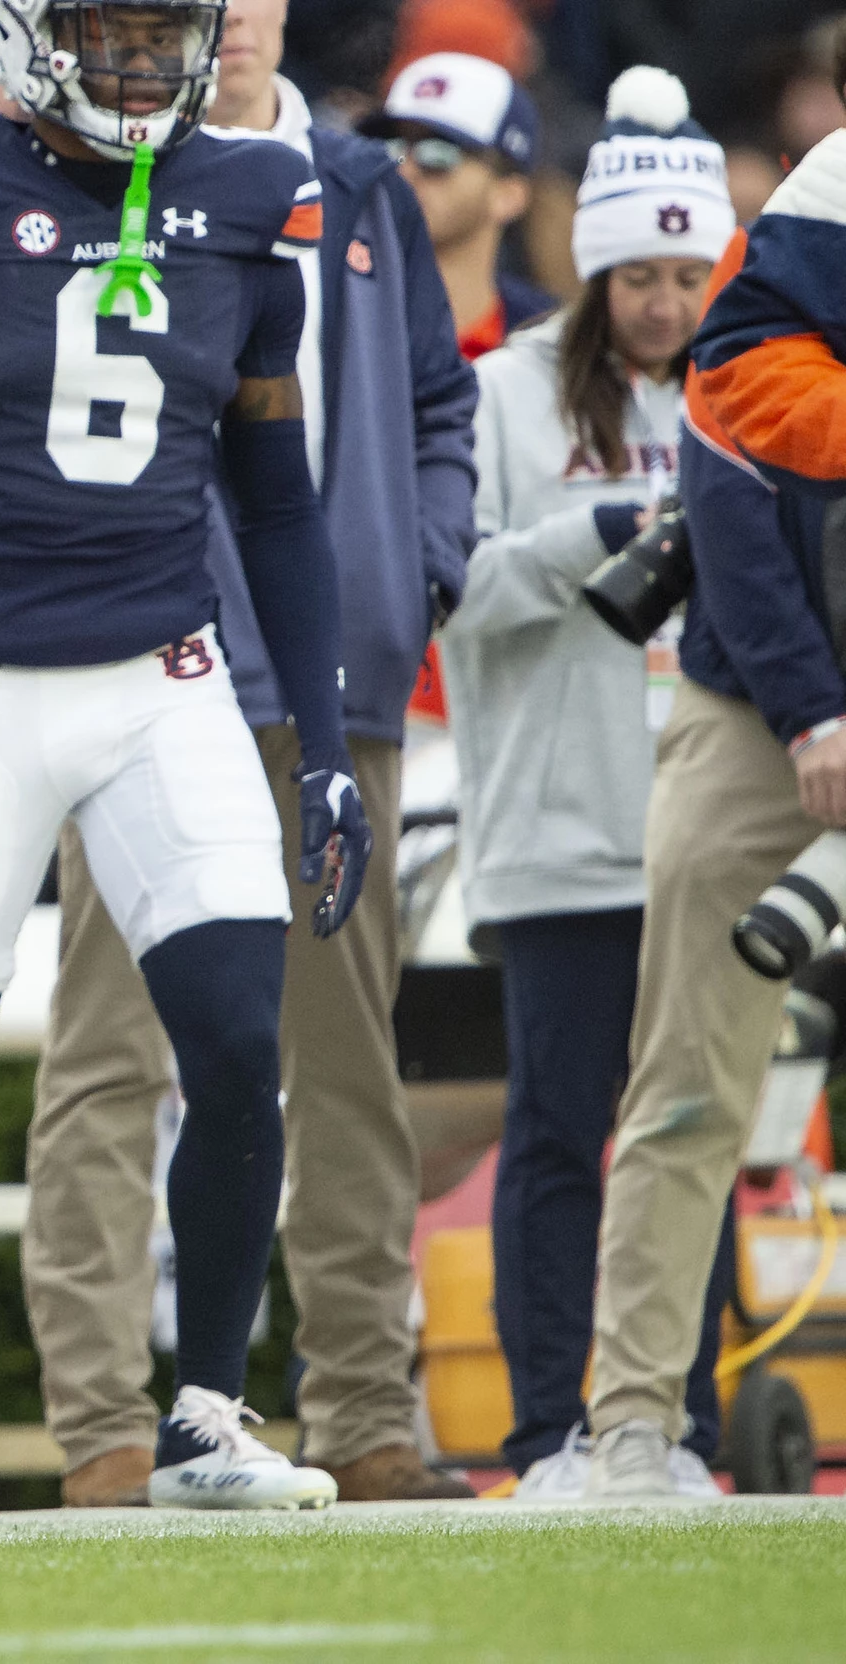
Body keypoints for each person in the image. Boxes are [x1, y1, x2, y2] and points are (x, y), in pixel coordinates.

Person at [0, 0, 372, 1518]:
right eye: (106, 33)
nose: (137, 63)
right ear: (33, 36)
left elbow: (279, 500)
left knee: (242, 1049)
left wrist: (317, 742)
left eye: (158, 33)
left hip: (166, 685)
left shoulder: (251, 193)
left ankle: (203, 1410)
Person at [0, 0, 476, 1518]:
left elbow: (434, 403)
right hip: (145, 666)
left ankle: (363, 1409)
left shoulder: (356, 186)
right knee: (114, 1045)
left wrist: (419, 567)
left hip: (336, 664)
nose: (197, 27)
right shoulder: (89, 165)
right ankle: (101, 1423)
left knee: (348, 1061)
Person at [443, 66, 737, 1504]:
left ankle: (680, 1428)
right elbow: (457, 598)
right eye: (643, 274)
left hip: (704, 828)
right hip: (556, 831)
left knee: (694, 1126)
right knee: (560, 1132)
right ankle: (551, 1435)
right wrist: (597, 532)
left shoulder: (753, 394)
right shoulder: (501, 390)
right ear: (598, 264)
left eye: (693, 274)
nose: (668, 303)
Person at [579, 49, 846, 1499]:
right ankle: (631, 1426)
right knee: (688, 1079)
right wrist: (815, 714)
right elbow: (731, 490)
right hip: (762, 710)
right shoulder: (817, 218)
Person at [362, 51, 552, 362]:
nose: (405, 170)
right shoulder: (332, 309)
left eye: (438, 154)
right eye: (391, 150)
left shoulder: (551, 344)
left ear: (508, 195)